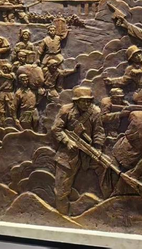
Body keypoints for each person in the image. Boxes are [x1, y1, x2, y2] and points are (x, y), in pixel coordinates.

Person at [51, 86, 106, 215]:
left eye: (88, 101)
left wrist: (98, 148)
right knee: (62, 187)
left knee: (105, 168)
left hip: (87, 153)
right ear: (76, 101)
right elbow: (56, 129)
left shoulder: (95, 112)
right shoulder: (66, 111)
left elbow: (99, 132)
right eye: (83, 101)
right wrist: (67, 141)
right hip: (68, 154)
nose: (86, 104)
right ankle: (62, 215)